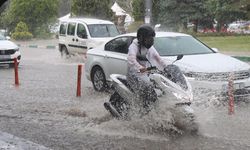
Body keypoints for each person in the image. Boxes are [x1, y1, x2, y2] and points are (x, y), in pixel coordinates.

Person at [127, 24, 168, 112]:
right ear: (141, 38)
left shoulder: (149, 47)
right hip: (134, 74)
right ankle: (145, 111)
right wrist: (140, 67)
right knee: (149, 90)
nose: (151, 41)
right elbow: (131, 60)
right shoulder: (133, 47)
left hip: (146, 73)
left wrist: (167, 67)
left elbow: (158, 58)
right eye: (149, 38)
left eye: (152, 38)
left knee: (161, 87)